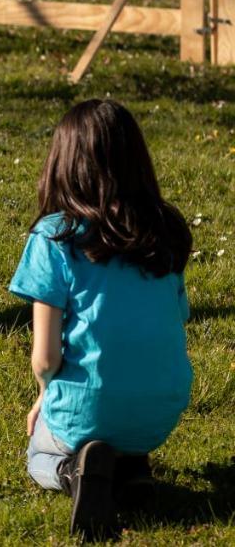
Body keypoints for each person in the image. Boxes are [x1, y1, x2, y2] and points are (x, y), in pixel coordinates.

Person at [11, 99, 192, 541]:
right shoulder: (165, 232)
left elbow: (45, 357)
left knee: (38, 453)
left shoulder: (55, 236)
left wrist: (42, 397)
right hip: (161, 410)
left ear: (63, 162)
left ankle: (76, 472)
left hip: (85, 408)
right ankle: (132, 466)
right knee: (116, 428)